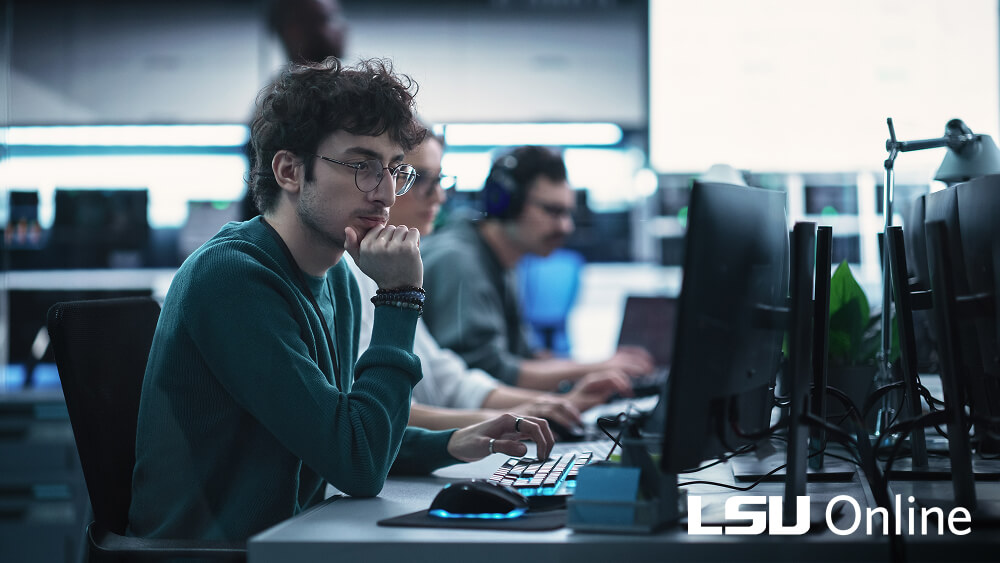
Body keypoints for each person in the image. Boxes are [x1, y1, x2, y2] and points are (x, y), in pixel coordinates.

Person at [128, 57, 553, 543]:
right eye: (361, 166)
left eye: (394, 170)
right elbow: (357, 464)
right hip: (215, 554)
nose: (387, 193)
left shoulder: (339, 279)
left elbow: (338, 431)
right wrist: (399, 298)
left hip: (294, 538)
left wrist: (453, 443)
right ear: (290, 170)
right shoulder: (233, 276)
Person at [345, 130, 633, 431]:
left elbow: (450, 380)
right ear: (504, 202)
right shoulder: (453, 260)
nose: (440, 196)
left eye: (435, 180)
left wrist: (549, 406)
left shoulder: (504, 266)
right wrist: (514, 417)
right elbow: (379, 415)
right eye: (415, 177)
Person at [421, 145, 655, 392]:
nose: (566, 227)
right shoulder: (459, 262)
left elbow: (522, 358)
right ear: (506, 203)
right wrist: (595, 368)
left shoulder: (503, 261)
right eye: (553, 211)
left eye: (568, 213)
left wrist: (600, 366)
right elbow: (485, 374)